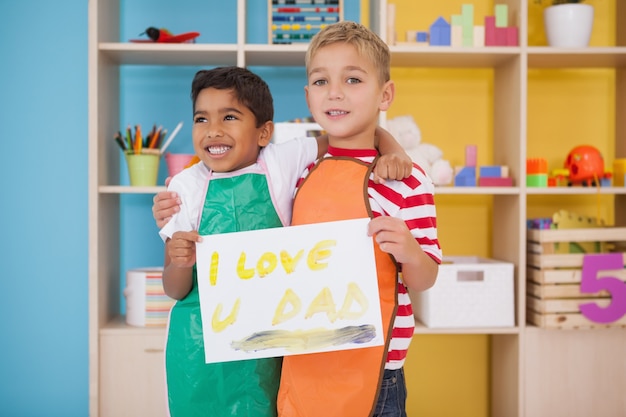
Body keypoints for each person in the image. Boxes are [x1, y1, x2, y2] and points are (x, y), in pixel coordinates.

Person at [157, 65, 413, 417]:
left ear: (264, 133)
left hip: (270, 344)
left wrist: (393, 149)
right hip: (200, 351)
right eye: (201, 120)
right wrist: (179, 259)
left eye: (229, 117)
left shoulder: (280, 163)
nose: (213, 131)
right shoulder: (182, 188)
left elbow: (352, 136)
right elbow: (174, 288)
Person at [275, 21, 442, 417]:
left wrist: (408, 250)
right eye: (320, 81)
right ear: (307, 95)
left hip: (379, 373)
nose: (334, 92)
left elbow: (425, 278)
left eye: (352, 79)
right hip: (302, 361)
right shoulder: (297, 169)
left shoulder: (407, 180)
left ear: (385, 94)